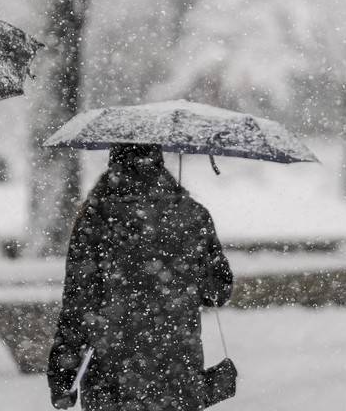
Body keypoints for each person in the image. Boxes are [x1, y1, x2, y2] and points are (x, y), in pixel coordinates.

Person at [48, 143, 233, 411]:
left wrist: (62, 376)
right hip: (177, 375)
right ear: (159, 162)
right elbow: (218, 292)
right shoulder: (193, 215)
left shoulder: (95, 218)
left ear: (114, 164)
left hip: (111, 381)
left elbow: (78, 305)